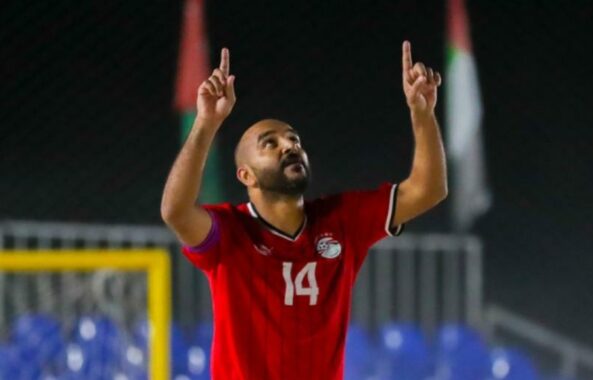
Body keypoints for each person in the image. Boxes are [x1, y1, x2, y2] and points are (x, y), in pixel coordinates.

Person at [160, 41, 447, 379]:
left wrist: (423, 115)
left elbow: (429, 190)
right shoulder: (230, 231)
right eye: (271, 143)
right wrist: (206, 123)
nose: (290, 146)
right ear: (245, 175)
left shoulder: (341, 219)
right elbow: (176, 211)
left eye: (294, 140)